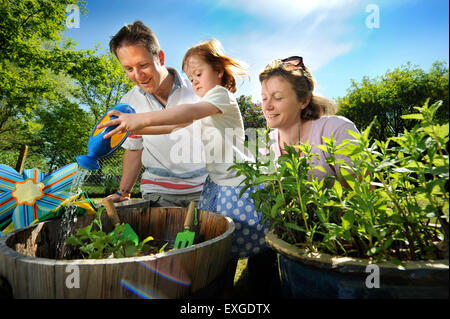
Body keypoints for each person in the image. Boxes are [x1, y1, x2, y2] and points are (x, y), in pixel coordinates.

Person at [105, 21, 208, 207]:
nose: (138, 76)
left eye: (143, 65)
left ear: (160, 57)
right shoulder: (128, 102)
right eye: (129, 69)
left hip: (203, 189)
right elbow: (134, 148)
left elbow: (181, 124)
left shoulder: (197, 90)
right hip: (158, 191)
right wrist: (124, 191)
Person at [259, 56, 360, 181]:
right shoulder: (266, 146)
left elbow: (363, 192)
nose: (267, 107)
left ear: (303, 100)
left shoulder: (336, 130)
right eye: (264, 98)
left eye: (278, 97)